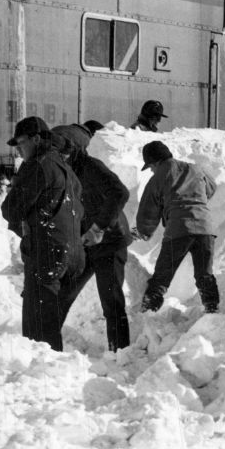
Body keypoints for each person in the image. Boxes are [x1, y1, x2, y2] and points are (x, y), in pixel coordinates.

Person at [0, 115, 86, 352]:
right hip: (73, 253)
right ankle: (51, 372)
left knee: (38, 332)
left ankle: (45, 376)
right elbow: (79, 206)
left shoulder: (37, 165)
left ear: (36, 139)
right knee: (48, 322)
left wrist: (17, 186)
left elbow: (11, 210)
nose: (18, 150)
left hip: (47, 251)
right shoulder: (63, 166)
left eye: (20, 143)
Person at [50, 124, 134, 352]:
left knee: (111, 300)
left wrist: (98, 228)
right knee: (63, 294)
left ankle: (119, 352)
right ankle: (46, 348)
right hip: (85, 243)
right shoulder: (65, 171)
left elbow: (120, 192)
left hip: (109, 240)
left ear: (76, 149)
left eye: (63, 151)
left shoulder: (91, 167)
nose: (60, 156)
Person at [135, 140, 219, 314]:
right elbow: (211, 188)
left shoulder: (159, 176)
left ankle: (148, 310)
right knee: (205, 274)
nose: (151, 170)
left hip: (179, 229)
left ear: (156, 162)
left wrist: (144, 231)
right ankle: (212, 308)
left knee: (163, 275)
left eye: (151, 166)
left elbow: (148, 210)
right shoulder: (196, 169)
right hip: (205, 228)